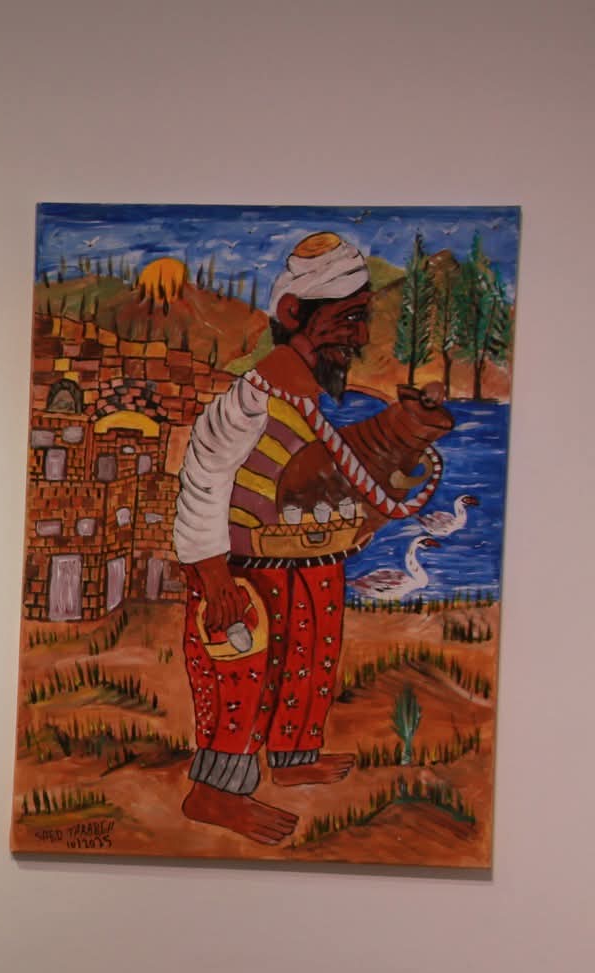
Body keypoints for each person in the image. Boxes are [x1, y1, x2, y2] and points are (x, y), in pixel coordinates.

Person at [173, 231, 443, 845]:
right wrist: (213, 576)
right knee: (241, 678)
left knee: (309, 660)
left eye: (362, 319)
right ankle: (214, 792)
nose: (359, 336)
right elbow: (204, 478)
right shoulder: (248, 401)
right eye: (347, 319)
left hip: (310, 563)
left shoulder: (314, 400)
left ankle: (294, 757)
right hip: (245, 570)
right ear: (293, 312)